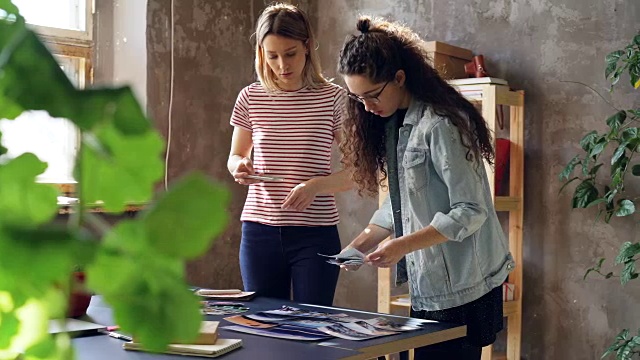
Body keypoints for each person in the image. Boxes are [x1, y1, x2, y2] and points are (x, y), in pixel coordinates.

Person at [336, 16, 515, 359]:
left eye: (371, 95)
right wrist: (360, 244)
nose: (366, 107)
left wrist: (401, 245)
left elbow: (471, 210)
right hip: (431, 283)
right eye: (357, 99)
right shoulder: (393, 124)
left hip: (464, 284)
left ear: (399, 78)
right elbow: (400, 202)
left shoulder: (441, 124)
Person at [227, 3, 351, 307]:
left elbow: (358, 170)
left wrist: (315, 187)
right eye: (272, 56)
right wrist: (239, 166)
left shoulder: (334, 99)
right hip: (259, 233)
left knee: (312, 329)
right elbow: (234, 156)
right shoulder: (250, 97)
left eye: (290, 53)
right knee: (263, 328)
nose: (282, 64)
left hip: (316, 236)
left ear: (307, 47)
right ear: (261, 54)